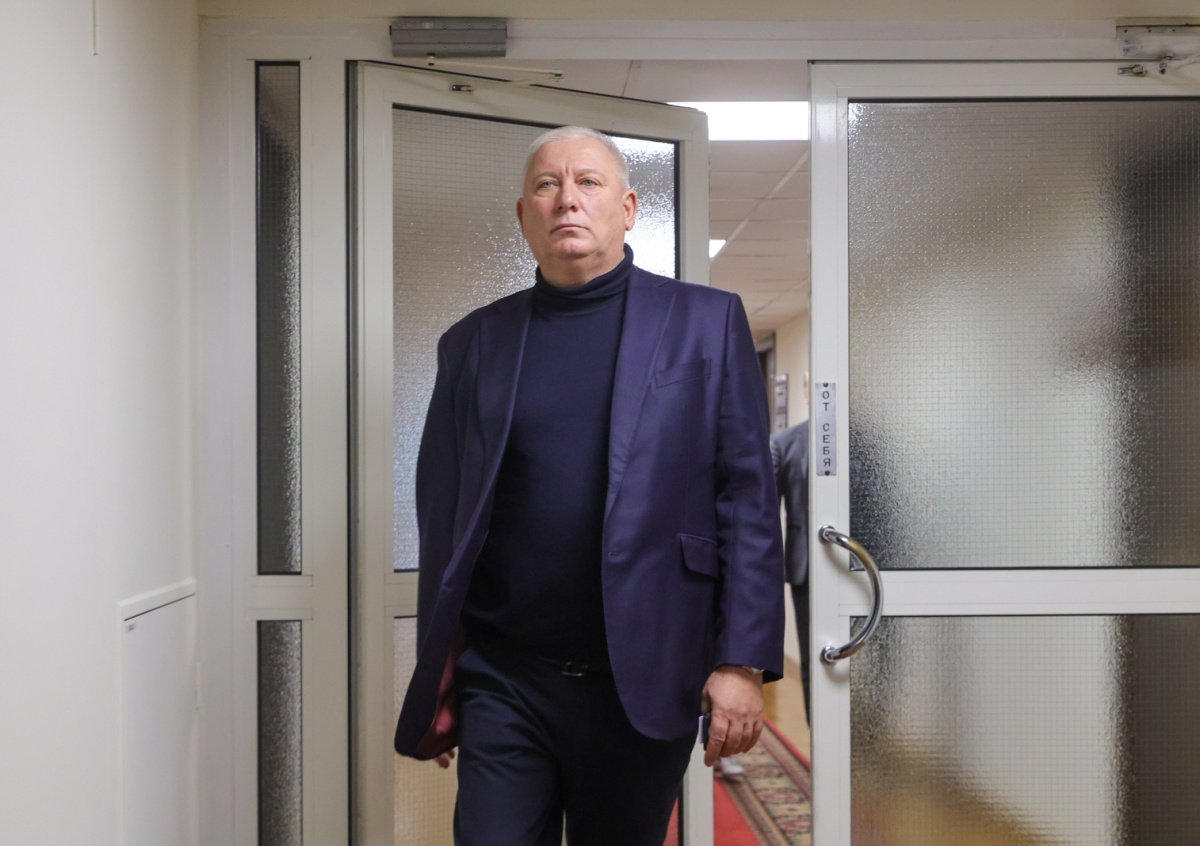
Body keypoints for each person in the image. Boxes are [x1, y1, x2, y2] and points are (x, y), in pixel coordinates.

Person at [393, 125, 785, 845]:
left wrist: (742, 660)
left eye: (588, 182)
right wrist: (441, 671)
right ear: (524, 216)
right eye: (546, 185)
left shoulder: (705, 323)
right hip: (507, 679)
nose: (566, 199)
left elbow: (747, 501)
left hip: (644, 677)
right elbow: (444, 517)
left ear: (628, 208)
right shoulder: (473, 344)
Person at [770, 399, 810, 719]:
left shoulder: (866, 438)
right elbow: (764, 515)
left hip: (860, 567)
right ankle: (819, 736)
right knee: (813, 658)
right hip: (806, 568)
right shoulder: (784, 442)